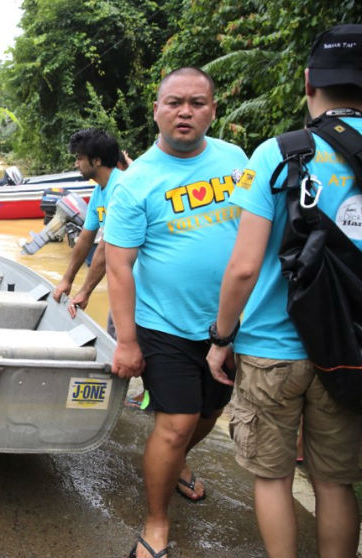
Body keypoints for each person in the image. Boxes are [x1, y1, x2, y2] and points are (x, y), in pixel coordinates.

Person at [206, 24, 362, 558]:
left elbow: (245, 267)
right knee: (336, 482)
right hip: (349, 350)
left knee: (272, 477)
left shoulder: (281, 153)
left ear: (309, 80)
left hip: (273, 346)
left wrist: (221, 337)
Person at [104, 67, 248, 558]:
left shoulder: (235, 159)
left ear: (212, 109)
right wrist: (126, 341)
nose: (185, 112)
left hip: (227, 326)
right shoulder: (136, 181)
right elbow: (119, 267)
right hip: (163, 323)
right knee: (177, 422)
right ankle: (157, 521)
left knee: (211, 412)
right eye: (174, 103)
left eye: (196, 103)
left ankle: (176, 462)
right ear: (157, 110)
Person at [51, 128, 124, 339]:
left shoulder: (121, 188)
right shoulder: (99, 191)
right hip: (124, 285)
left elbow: (107, 245)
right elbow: (85, 239)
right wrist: (67, 280)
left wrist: (85, 291)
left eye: (80, 158)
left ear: (97, 161)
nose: (76, 164)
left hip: (144, 285)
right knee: (115, 340)